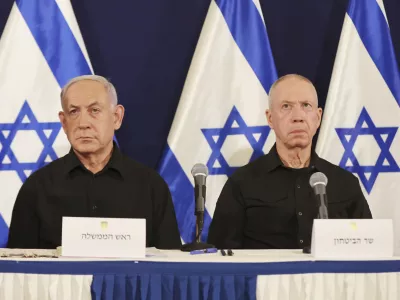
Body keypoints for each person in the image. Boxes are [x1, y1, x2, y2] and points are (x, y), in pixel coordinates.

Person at [7, 75, 181, 250]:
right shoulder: (37, 188)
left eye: (94, 110)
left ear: (117, 117)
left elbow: (170, 266)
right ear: (64, 122)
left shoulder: (150, 187)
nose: (83, 123)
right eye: (74, 112)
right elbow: (18, 270)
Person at [207, 74, 372, 249]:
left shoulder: (346, 184)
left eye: (306, 106)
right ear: (270, 118)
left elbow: (368, 251)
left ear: (318, 117)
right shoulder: (242, 183)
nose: (298, 117)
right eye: (286, 106)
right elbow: (221, 258)